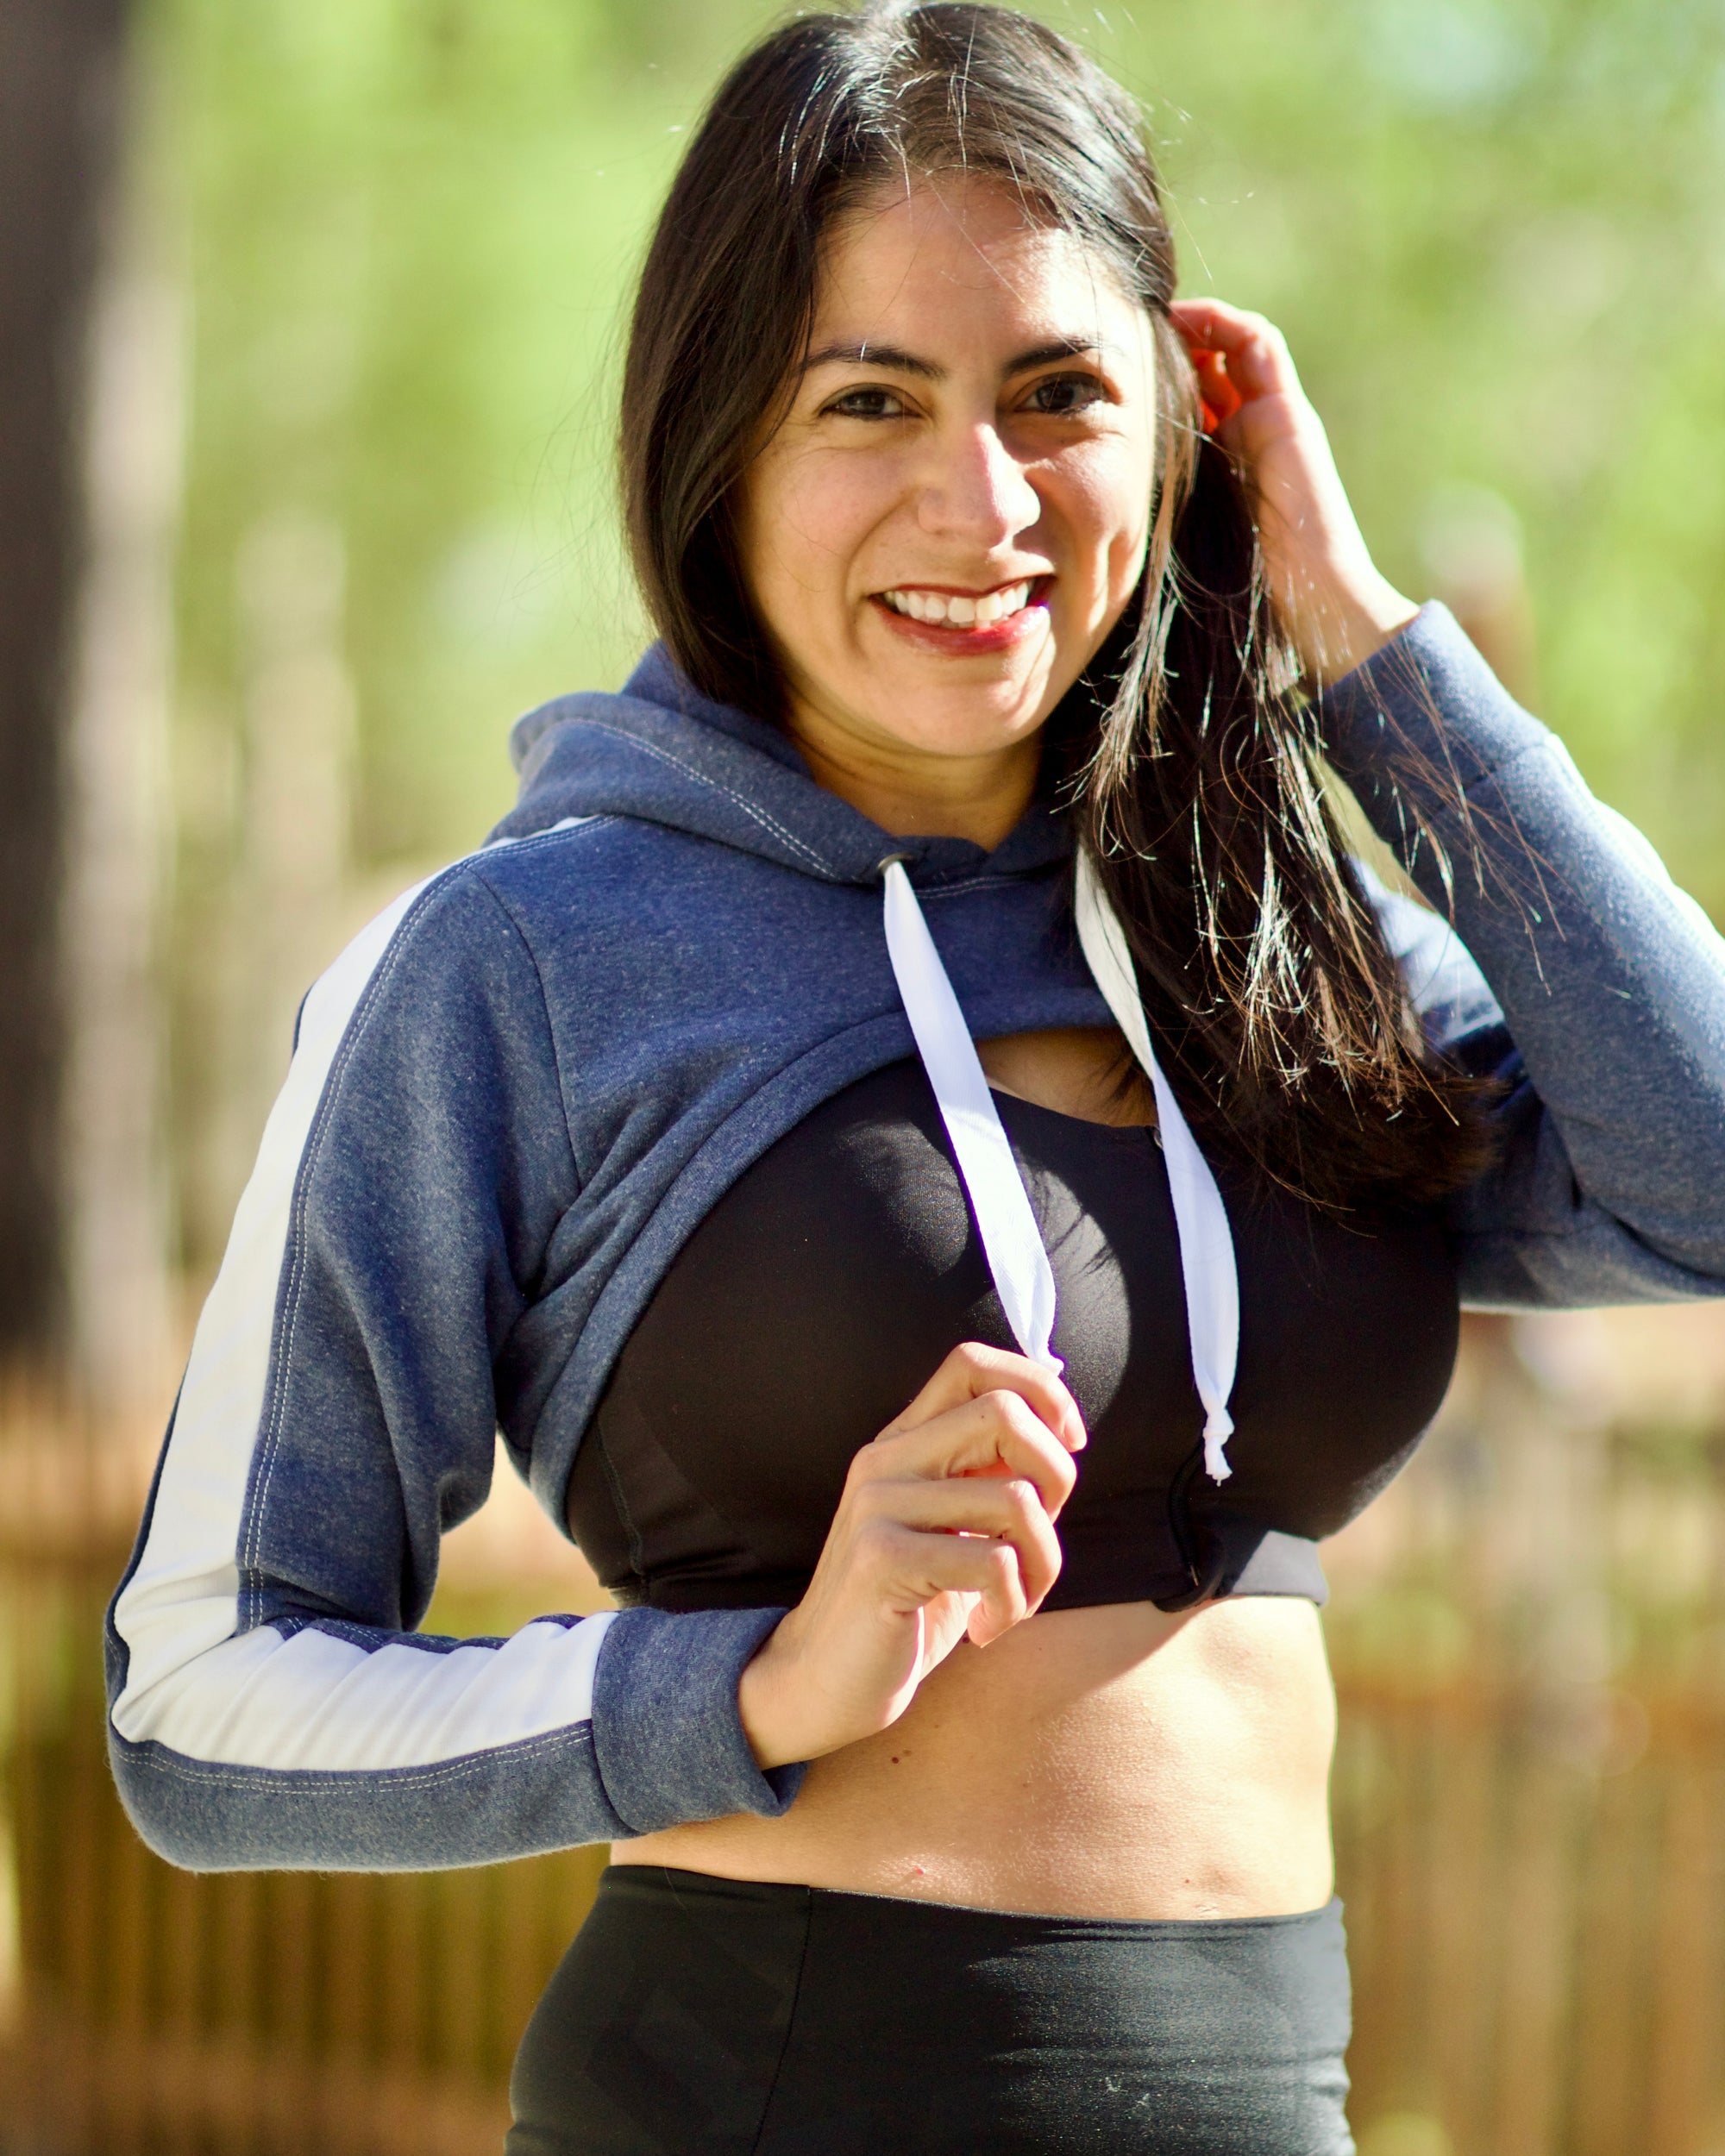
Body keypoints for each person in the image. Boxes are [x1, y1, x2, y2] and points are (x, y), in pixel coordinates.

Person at [106, 6, 1725, 2151]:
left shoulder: (1268, 935)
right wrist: (750, 1680)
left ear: (1185, 429)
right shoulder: (521, 957)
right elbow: (202, 1703)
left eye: (1058, 395)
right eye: (869, 399)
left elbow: (1701, 1173)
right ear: (720, 444)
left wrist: (1358, 645)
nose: (981, 502)